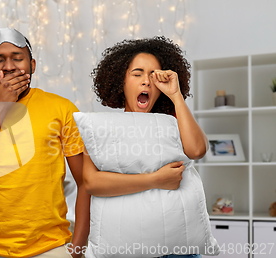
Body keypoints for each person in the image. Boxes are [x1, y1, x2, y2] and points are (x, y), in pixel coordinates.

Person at [0, 28, 89, 258]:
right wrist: (1, 106)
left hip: (51, 248)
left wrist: (78, 248)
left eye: (17, 58)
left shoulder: (62, 109)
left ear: (32, 65)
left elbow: (86, 183)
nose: (9, 66)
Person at [83, 36, 208, 258]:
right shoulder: (102, 129)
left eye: (154, 75)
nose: (146, 81)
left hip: (178, 252)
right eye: (137, 74)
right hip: (126, 249)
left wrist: (176, 96)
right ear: (121, 81)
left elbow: (197, 150)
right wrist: (156, 180)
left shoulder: (174, 121)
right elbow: (92, 182)